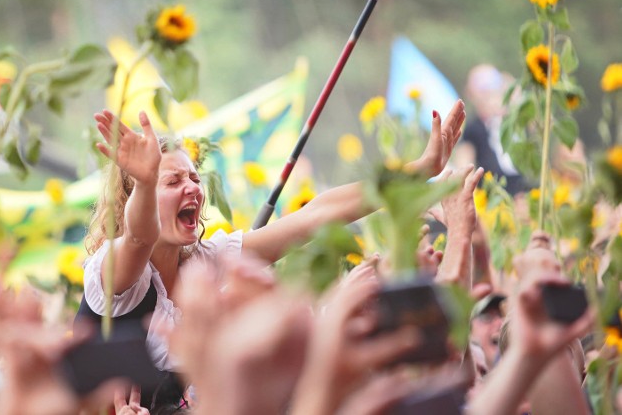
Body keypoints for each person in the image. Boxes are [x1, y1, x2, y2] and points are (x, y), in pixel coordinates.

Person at [79, 101, 465, 409]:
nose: (193, 188)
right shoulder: (117, 271)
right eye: (174, 181)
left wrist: (419, 171)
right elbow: (137, 237)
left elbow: (315, 215)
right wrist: (146, 183)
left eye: (195, 177)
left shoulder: (207, 259)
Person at [455, 64, 528, 195]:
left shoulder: (513, 126)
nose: (491, 99)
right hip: (491, 204)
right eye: (484, 93)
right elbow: (464, 172)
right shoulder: (474, 130)